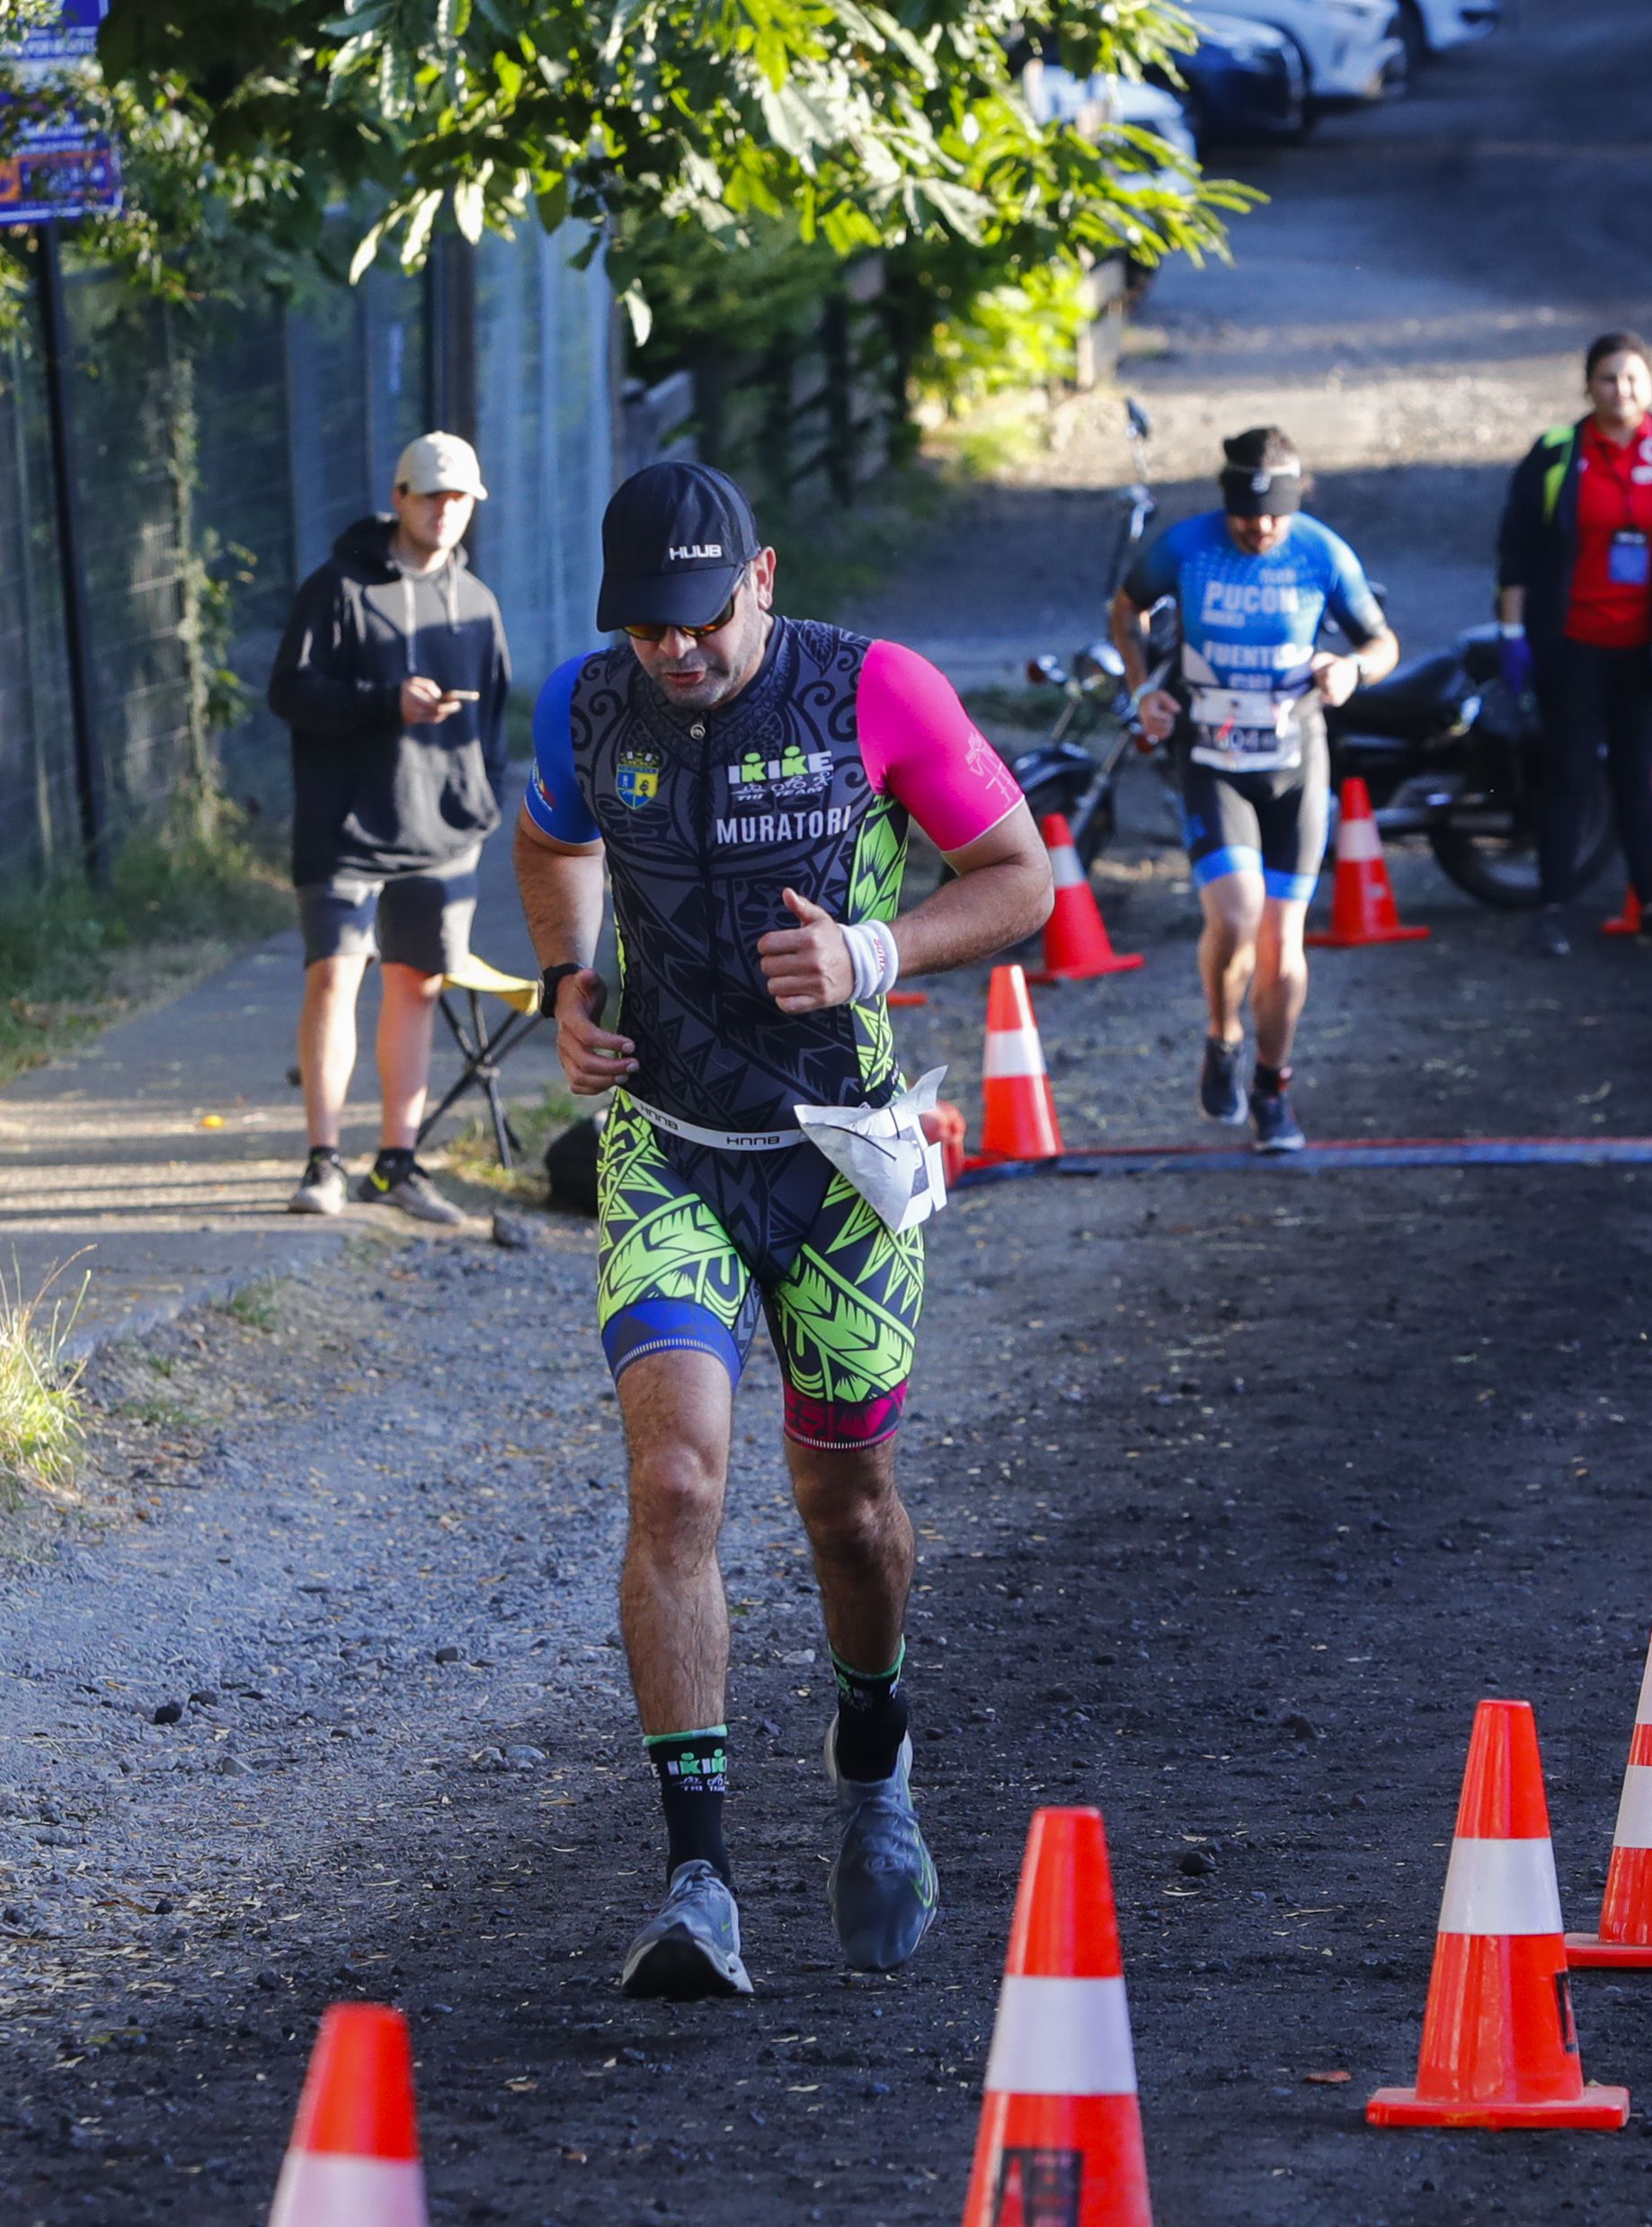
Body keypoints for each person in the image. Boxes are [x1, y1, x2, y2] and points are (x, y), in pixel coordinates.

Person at [516, 460, 1053, 2000]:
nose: (676, 653)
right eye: (646, 629)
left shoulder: (873, 691)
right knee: (677, 1478)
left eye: (698, 620)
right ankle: (698, 1881)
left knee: (850, 1512)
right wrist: (569, 982)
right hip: (668, 1150)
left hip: (837, 1168)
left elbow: (1020, 875)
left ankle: (873, 1754)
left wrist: (876, 950)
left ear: (760, 576)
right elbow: (552, 845)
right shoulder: (584, 704)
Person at [1111, 426, 1398, 1151]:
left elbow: (1381, 641)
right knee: (1235, 915)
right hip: (1210, 758)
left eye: (1275, 515)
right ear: (1226, 503)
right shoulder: (1187, 545)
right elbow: (1125, 607)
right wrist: (1144, 684)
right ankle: (1222, 1035)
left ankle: (1273, 1085)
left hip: (1294, 763)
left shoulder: (1322, 552)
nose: (1262, 529)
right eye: (1247, 517)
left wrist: (1351, 669)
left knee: (1281, 942)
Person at [268, 432, 513, 1224]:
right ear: (399, 497)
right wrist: (384, 701)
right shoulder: (337, 590)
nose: (446, 512)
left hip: (442, 830)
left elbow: (498, 713)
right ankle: (323, 1161)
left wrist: (478, 800)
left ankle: (398, 1164)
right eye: (432, 495)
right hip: (344, 824)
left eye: (460, 499)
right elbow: (290, 692)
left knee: (418, 983)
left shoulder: (478, 602)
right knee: (334, 975)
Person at [1492, 331, 1652, 958]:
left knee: (1635, 774)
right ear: (1586, 385)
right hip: (1572, 644)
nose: (1619, 391)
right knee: (1567, 772)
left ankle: (1651, 905)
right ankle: (1551, 908)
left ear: (1647, 384)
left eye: (1631, 379)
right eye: (1606, 379)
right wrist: (1513, 631)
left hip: (1648, 649)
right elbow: (1515, 547)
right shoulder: (1557, 454)